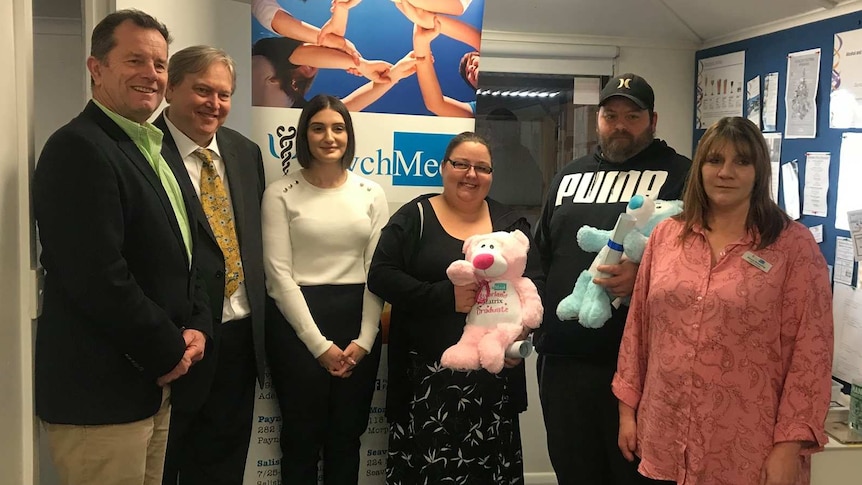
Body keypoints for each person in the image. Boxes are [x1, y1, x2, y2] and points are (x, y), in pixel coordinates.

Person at [32, 9, 211, 485]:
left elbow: (184, 255)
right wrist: (169, 348)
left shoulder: (148, 148)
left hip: (150, 386)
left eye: (159, 64)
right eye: (135, 60)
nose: (151, 74)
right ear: (96, 68)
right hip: (102, 393)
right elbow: (98, 276)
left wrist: (195, 325)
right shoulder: (78, 148)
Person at [613, 116, 834, 485]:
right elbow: (638, 329)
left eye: (741, 162)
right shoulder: (668, 236)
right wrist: (627, 411)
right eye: (715, 160)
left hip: (750, 449)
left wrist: (788, 447)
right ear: (700, 167)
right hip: (663, 436)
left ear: (759, 171)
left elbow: (811, 354)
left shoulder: (792, 246)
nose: (726, 172)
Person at [533, 73, 691, 485]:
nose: (620, 125)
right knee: (573, 471)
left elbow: (703, 265)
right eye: (610, 115)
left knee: (634, 475)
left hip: (640, 366)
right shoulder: (568, 175)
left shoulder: (682, 176)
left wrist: (644, 275)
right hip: (563, 360)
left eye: (632, 116)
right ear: (598, 118)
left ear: (653, 120)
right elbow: (542, 255)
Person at [367, 132, 541, 485]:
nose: (471, 174)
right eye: (461, 164)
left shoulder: (510, 223)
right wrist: (445, 297)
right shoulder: (415, 215)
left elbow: (536, 284)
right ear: (444, 167)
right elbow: (381, 277)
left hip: (492, 386)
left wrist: (520, 333)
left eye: (482, 167)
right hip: (425, 386)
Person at [153, 46, 267, 485]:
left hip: (239, 335)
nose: (213, 104)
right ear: (171, 87)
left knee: (224, 463)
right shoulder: (144, 151)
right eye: (202, 90)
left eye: (223, 94)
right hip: (175, 338)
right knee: (165, 462)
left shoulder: (244, 151)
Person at [261, 94, 389, 485]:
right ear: (305, 134)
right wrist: (318, 345)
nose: (329, 137)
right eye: (318, 128)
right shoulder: (280, 193)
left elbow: (376, 272)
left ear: (349, 135)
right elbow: (278, 276)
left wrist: (366, 340)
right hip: (297, 326)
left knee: (346, 439)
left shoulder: (371, 193)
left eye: (338, 128)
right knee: (300, 440)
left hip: (358, 322)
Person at [251, 36, 417, 111]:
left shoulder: (296, 107)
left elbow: (346, 107)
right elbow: (298, 54)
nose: (316, 65)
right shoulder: (261, 59)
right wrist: (361, 64)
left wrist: (394, 75)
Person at [483, 107, 544, 208]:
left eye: (490, 128)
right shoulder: (487, 154)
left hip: (518, 213)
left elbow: (536, 189)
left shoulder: (523, 157)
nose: (487, 133)